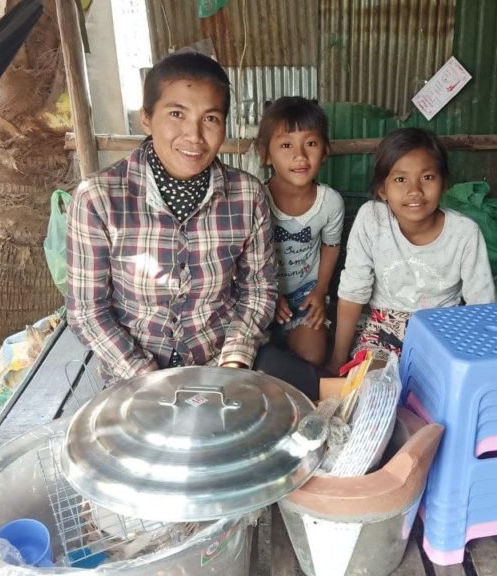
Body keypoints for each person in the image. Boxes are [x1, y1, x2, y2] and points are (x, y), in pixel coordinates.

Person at [66, 52, 318, 398]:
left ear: (224, 125)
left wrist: (233, 361)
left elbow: (259, 288)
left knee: (304, 402)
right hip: (134, 372)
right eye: (176, 114)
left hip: (221, 359)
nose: (194, 135)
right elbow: (87, 311)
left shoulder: (246, 194)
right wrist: (147, 378)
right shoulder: (98, 198)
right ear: (146, 118)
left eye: (210, 118)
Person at [329, 128, 495, 373]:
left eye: (427, 177)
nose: (415, 190)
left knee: (434, 394)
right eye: (400, 179)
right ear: (382, 190)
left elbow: (482, 307)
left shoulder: (464, 232)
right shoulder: (372, 219)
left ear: (444, 184)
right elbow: (353, 292)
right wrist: (336, 361)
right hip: (383, 331)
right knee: (373, 392)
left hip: (443, 332)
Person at [256, 97, 344, 367]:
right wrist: (269, 295)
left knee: (312, 356)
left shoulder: (329, 202)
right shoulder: (256, 198)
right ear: (266, 155)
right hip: (261, 293)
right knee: (257, 361)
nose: (300, 156)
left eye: (311, 143)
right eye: (286, 145)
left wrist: (320, 290)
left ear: (325, 150)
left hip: (307, 294)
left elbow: (330, 246)